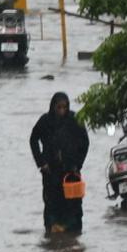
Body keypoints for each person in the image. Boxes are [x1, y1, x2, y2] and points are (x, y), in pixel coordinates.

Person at [29, 92, 90, 233]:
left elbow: (85, 143)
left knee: (73, 206)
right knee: (52, 203)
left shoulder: (74, 120)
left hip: (71, 172)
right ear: (53, 107)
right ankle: (52, 233)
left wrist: (77, 164)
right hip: (50, 171)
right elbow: (33, 139)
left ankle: (72, 236)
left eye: (65, 107)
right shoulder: (45, 121)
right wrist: (41, 162)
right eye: (59, 108)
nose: (62, 111)